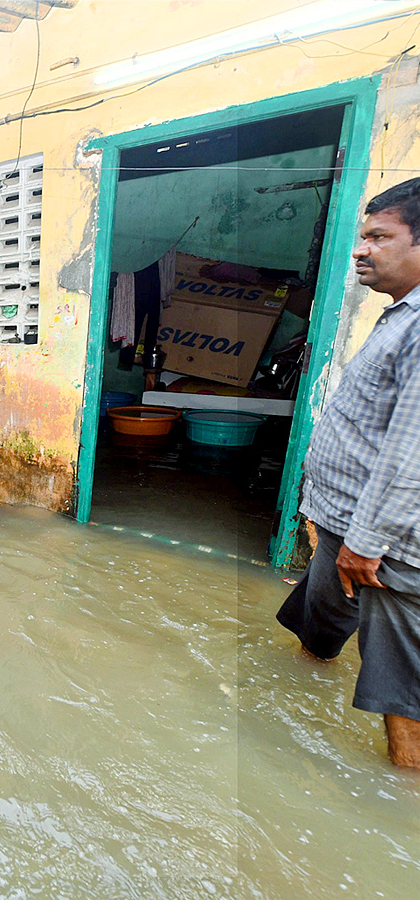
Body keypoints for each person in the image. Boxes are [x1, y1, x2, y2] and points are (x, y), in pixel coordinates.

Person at [277, 177, 420, 769]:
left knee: (399, 681)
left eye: (379, 237)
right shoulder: (399, 317)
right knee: (321, 623)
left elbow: (410, 450)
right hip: (343, 524)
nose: (361, 250)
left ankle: (403, 783)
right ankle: (297, 690)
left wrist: (366, 543)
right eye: (362, 238)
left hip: (380, 542)